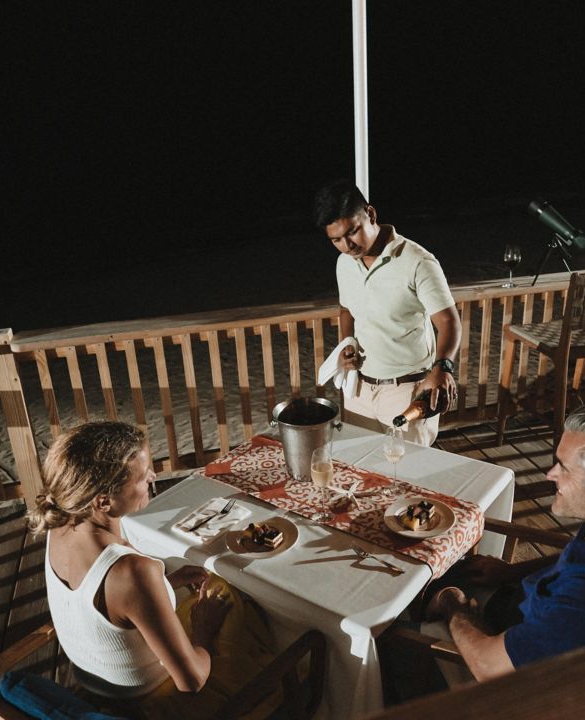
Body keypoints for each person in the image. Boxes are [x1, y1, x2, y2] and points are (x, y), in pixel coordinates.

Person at [419, 402, 585, 684]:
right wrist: (512, 573)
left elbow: (488, 666)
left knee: (395, 624)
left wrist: (453, 604)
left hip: (515, 670)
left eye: (564, 468)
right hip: (531, 612)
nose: (551, 474)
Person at [28, 421, 275, 718]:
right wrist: (202, 629)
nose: (153, 477)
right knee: (238, 605)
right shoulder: (133, 572)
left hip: (99, 683)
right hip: (150, 703)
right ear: (104, 501)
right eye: (142, 477)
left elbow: (107, 604)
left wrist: (167, 582)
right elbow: (192, 680)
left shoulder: (62, 524)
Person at [313, 179, 461, 447]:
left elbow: (448, 321)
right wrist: (348, 343)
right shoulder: (344, 263)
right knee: (362, 470)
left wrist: (443, 367)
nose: (347, 245)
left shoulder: (417, 260)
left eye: (353, 232)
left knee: (408, 476)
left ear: (370, 214)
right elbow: (346, 309)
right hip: (358, 391)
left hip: (406, 391)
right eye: (336, 240)